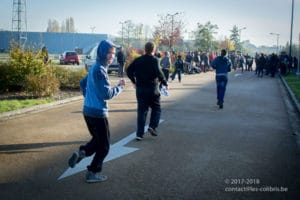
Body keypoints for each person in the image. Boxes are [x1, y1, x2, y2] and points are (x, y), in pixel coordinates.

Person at [68, 40, 125, 183]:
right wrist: (119, 87)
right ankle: (92, 172)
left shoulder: (95, 67)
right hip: (98, 113)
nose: (112, 56)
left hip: (88, 111)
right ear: (102, 52)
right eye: (109, 53)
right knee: (105, 146)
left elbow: (82, 83)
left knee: (97, 140)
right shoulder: (100, 69)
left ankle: (82, 152)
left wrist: (88, 98)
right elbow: (106, 94)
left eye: (113, 53)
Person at [126, 41, 168, 141]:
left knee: (142, 111)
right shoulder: (155, 60)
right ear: (154, 49)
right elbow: (159, 72)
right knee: (156, 108)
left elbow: (128, 70)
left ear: (145, 49)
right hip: (153, 89)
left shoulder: (138, 60)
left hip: (140, 89)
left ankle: (139, 134)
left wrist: (133, 81)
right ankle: (152, 126)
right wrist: (165, 82)